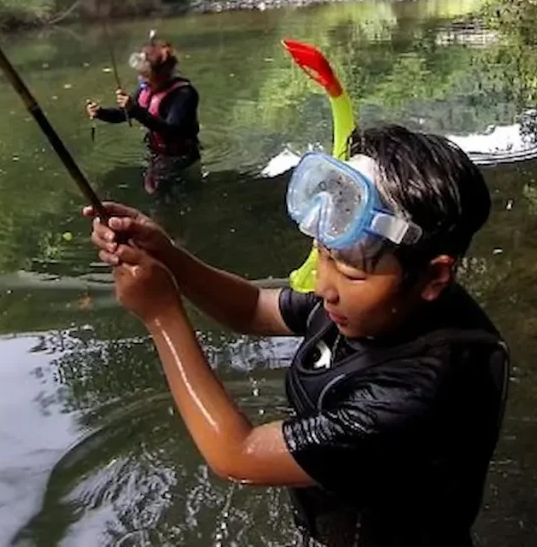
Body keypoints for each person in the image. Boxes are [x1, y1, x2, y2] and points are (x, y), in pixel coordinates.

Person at [85, 125, 509, 547]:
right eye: (323, 255)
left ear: (434, 275)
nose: (325, 286)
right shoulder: (378, 308)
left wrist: (161, 317)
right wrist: (167, 255)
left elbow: (238, 456)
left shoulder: (418, 391)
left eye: (350, 270)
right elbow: (252, 308)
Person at [85, 37, 200, 194]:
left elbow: (173, 131)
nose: (141, 80)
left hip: (181, 155)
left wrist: (135, 110)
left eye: (145, 75)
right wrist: (100, 112)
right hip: (156, 152)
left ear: (161, 74)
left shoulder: (184, 94)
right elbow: (123, 114)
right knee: (152, 188)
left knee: (162, 192)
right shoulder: (146, 89)